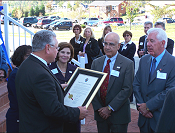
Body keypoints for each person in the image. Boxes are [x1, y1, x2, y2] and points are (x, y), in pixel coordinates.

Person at [15, 30, 88, 132]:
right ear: (48, 48)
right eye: (57, 48)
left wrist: (57, 87)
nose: (57, 51)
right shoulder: (40, 74)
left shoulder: (28, 64)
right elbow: (53, 109)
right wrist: (77, 112)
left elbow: (37, 94)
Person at [133, 28, 175, 133]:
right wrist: (141, 107)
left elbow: (169, 91)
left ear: (163, 43)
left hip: (161, 118)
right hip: (143, 118)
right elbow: (136, 84)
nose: (148, 44)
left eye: (152, 41)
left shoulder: (172, 63)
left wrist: (148, 106)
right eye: (147, 41)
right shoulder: (144, 60)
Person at [91, 32, 134, 133]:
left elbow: (127, 89)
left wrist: (109, 108)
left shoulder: (127, 64)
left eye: (111, 44)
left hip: (119, 115)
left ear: (119, 46)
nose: (107, 47)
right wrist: (99, 109)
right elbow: (92, 87)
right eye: (105, 44)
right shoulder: (96, 63)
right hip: (100, 113)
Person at [49, 42, 80, 133]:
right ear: (57, 53)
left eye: (68, 53)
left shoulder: (75, 69)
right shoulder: (49, 69)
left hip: (72, 108)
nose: (65, 55)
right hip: (57, 109)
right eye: (62, 52)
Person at [6, 45, 32, 133]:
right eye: (28, 55)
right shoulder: (15, 74)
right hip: (17, 117)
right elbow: (20, 97)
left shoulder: (26, 72)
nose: (30, 58)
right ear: (20, 57)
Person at [118, 30, 136, 103]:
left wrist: (122, 57)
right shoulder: (121, 44)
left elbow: (130, 55)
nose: (126, 37)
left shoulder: (132, 45)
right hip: (120, 64)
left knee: (128, 80)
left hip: (129, 63)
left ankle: (130, 98)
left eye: (128, 35)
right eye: (125, 36)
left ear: (130, 36)